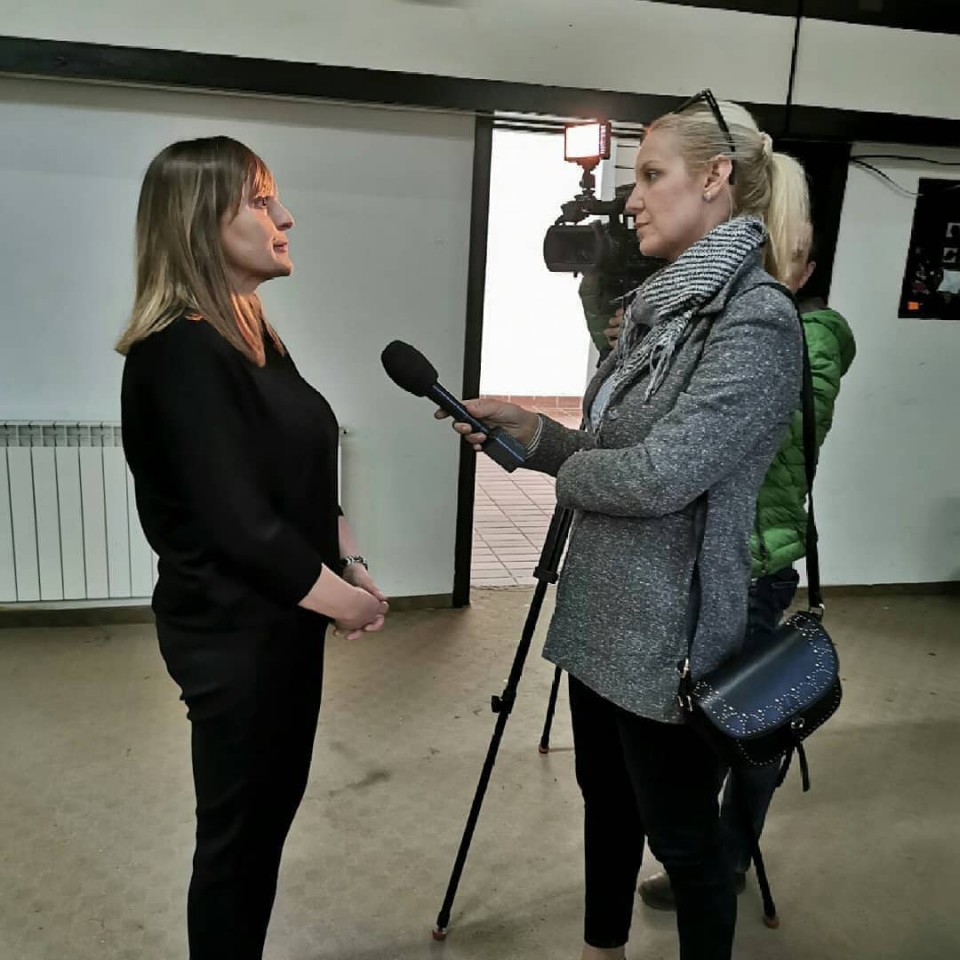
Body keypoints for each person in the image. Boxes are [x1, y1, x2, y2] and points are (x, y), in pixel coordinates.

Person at [441, 92, 810, 960]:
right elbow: (612, 450)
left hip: (666, 631)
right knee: (605, 804)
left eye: (649, 175)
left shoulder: (754, 320)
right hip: (605, 611)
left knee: (685, 843)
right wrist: (536, 435)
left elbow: (660, 477)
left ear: (715, 178)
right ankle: (600, 947)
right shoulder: (660, 309)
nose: (631, 199)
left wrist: (565, 474)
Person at [117, 136, 389, 960]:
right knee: (238, 843)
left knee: (262, 826)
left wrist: (350, 561)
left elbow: (298, 472)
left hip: (283, 625)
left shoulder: (251, 334)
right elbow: (239, 525)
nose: (286, 217)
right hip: (235, 637)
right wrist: (348, 606)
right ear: (202, 219)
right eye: (263, 201)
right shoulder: (178, 352)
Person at [632, 223, 857, 911]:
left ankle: (724, 859)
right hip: (702, 553)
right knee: (701, 717)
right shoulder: (714, 322)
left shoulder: (810, 337)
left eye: (782, 254)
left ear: (806, 271)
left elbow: (758, 433)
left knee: (749, 718)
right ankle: (706, 853)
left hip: (754, 558)